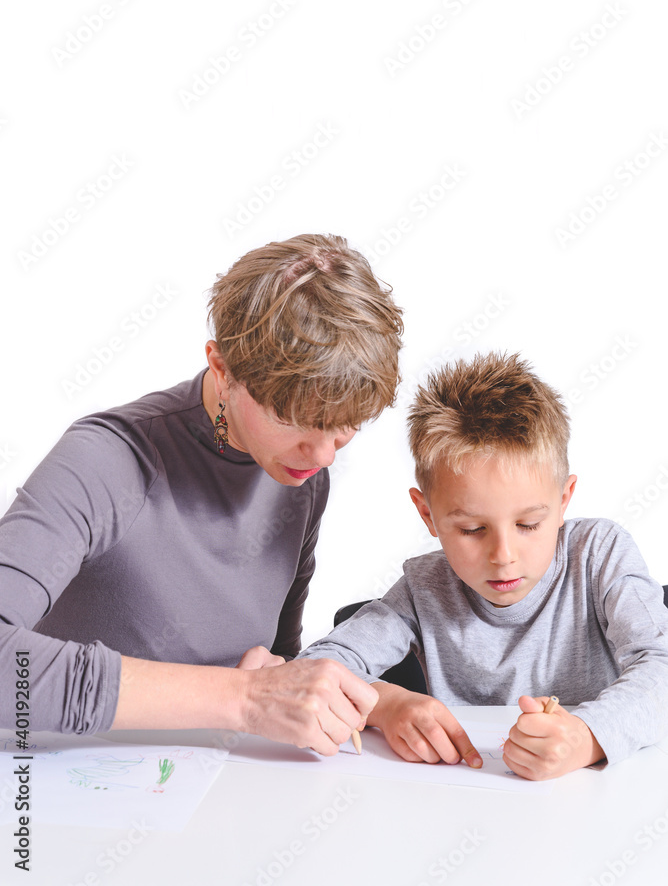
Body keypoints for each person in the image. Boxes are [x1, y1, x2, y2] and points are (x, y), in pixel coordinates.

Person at [0, 233, 404, 754]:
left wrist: (383, 702)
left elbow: (280, 672)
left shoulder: (300, 475)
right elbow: (257, 694)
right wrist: (243, 699)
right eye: (294, 419)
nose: (325, 454)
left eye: (347, 425)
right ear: (223, 368)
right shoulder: (108, 459)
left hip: (213, 790)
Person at [298, 352, 668, 779]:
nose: (503, 555)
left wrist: (585, 737)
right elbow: (315, 672)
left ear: (564, 500)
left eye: (529, 524)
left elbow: (661, 667)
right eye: (473, 529)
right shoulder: (423, 590)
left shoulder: (600, 556)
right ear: (428, 515)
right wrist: (387, 704)